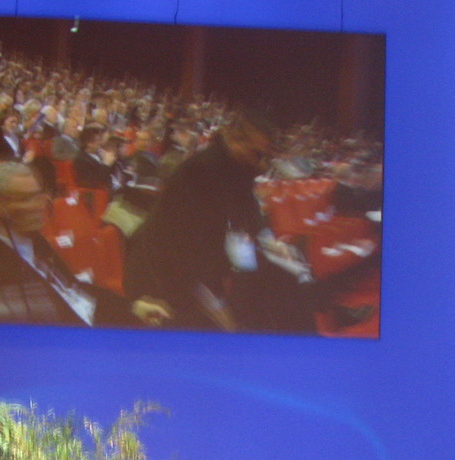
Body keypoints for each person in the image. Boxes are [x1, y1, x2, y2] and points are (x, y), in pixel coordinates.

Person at [125, 109, 315, 333]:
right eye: (258, 155)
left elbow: (249, 207)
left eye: (267, 158)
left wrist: (270, 241)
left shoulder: (238, 164)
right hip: (161, 271)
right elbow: (185, 251)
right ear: (235, 140)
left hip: (200, 265)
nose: (263, 166)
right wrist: (216, 305)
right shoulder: (200, 172)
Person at [0, 162, 171, 328]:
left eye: (39, 194)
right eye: (26, 199)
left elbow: (72, 290)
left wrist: (132, 307)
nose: (41, 204)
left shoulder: (33, 240)